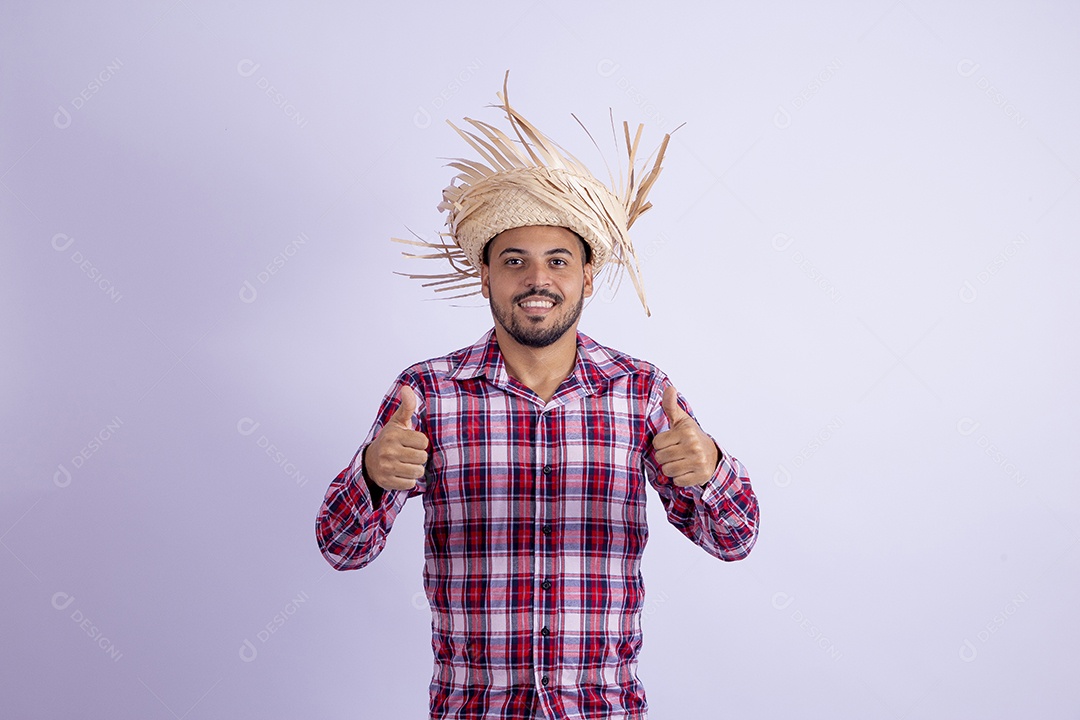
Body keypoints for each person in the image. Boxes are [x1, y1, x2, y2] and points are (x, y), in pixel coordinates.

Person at [316, 75, 760, 720]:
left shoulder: (641, 392)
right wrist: (370, 476)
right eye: (515, 259)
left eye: (557, 260)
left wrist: (712, 468)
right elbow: (341, 547)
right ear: (486, 272)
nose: (537, 279)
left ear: (586, 273)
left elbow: (735, 540)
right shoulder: (429, 393)